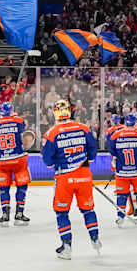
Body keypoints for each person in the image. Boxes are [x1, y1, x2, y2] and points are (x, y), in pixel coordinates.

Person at [40, 99, 101, 260]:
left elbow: (47, 160)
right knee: (88, 209)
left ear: (55, 113)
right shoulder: (83, 128)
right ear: (70, 111)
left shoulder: (51, 133)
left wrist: (53, 163)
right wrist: (87, 161)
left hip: (64, 178)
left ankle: (67, 247)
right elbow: (93, 150)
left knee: (61, 212)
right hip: (84, 175)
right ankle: (95, 239)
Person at [107, 113, 137, 226]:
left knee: (121, 194)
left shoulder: (116, 134)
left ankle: (120, 216)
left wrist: (118, 159)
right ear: (135, 123)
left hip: (122, 172)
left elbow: (112, 150)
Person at [0, 102, 30, 226]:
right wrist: (14, 117)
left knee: (4, 187)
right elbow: (23, 127)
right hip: (18, 159)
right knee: (22, 186)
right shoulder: (18, 120)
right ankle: (19, 213)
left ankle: (5, 213)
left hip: (2, 160)